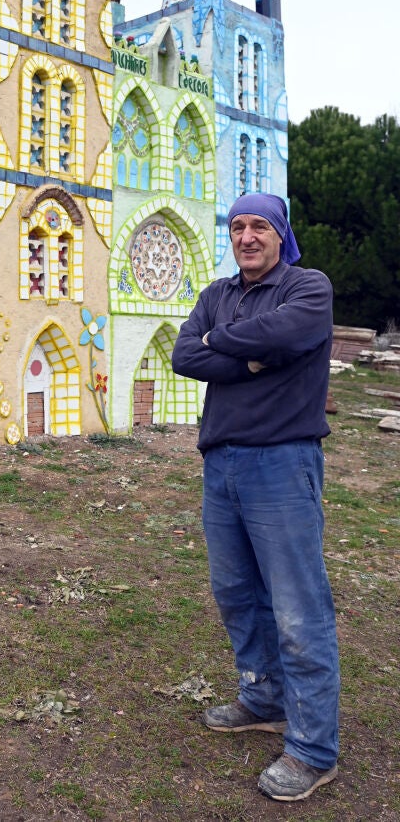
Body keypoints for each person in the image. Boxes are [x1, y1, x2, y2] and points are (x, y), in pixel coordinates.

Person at [172, 192, 339, 802]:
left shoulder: (308, 286)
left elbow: (292, 331)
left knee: (298, 608)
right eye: (238, 226)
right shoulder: (216, 294)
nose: (247, 236)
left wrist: (221, 343)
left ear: (280, 234)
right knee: (237, 593)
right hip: (223, 464)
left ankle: (314, 749)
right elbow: (183, 353)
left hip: (283, 462)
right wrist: (245, 359)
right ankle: (264, 699)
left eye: (260, 227)